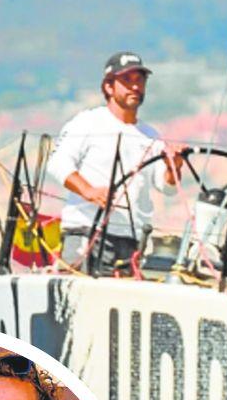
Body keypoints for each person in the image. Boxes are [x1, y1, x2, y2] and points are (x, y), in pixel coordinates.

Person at [49, 50, 184, 268]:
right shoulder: (88, 122)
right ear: (108, 87)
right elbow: (57, 164)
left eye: (139, 80)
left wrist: (173, 167)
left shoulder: (151, 135)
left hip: (132, 239)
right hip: (87, 230)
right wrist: (89, 191)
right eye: (127, 80)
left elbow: (167, 187)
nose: (135, 86)